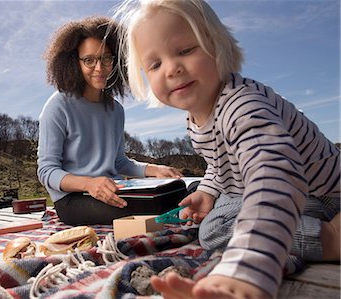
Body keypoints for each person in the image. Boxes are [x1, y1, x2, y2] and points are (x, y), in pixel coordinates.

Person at [112, 0, 340, 298]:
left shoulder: (242, 106)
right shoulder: (198, 116)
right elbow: (220, 164)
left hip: (319, 194)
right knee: (214, 211)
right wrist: (207, 192)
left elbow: (275, 177)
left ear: (218, 46)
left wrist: (247, 268)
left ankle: (332, 238)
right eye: (155, 64)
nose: (172, 68)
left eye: (185, 50)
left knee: (214, 229)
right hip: (284, 189)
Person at [37, 16, 182, 226]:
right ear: (73, 63)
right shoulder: (58, 105)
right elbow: (46, 171)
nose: (100, 68)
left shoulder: (116, 110)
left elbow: (118, 161)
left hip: (115, 189)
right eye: (89, 60)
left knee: (178, 192)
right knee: (149, 207)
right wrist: (89, 184)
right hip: (73, 200)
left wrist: (153, 169)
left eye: (106, 59)